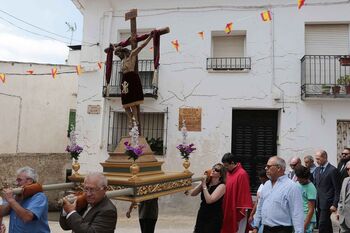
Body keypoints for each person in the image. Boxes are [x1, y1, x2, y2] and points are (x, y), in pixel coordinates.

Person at [253, 156, 304, 233]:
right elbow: (260, 206)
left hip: (282, 230)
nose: (266, 168)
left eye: (269, 166)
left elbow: (297, 213)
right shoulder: (266, 185)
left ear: (279, 168)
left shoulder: (291, 187)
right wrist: (256, 226)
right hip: (266, 229)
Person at [114, 33, 153, 131]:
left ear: (122, 51)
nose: (118, 55)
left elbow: (141, 46)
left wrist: (150, 37)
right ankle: (130, 120)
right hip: (124, 80)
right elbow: (114, 48)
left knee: (133, 103)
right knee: (126, 104)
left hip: (131, 78)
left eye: (118, 53)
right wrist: (113, 47)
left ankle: (136, 120)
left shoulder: (131, 55)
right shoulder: (122, 60)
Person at [1, 166, 50, 233]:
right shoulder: (16, 195)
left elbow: (27, 217)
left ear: (30, 181)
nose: (16, 183)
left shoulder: (39, 197)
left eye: (19, 180)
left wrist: (11, 200)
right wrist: (14, 200)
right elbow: (2, 212)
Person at [188, 163, 226, 233]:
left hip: (214, 216)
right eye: (213, 168)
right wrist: (202, 183)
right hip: (202, 213)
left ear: (220, 174)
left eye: (217, 170)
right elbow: (193, 193)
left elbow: (209, 200)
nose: (213, 170)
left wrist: (204, 185)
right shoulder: (207, 183)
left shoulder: (222, 186)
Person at [221, 153, 252, 233]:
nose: (226, 168)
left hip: (238, 208)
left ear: (232, 163)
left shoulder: (242, 174)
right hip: (228, 205)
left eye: (227, 165)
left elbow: (244, 193)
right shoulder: (228, 173)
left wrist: (241, 208)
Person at [314, 149, 341, 233]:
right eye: (316, 159)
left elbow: (337, 189)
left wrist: (334, 204)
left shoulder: (332, 170)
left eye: (318, 159)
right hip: (319, 203)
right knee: (327, 227)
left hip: (328, 204)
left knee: (322, 226)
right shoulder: (317, 169)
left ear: (325, 157)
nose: (316, 161)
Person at [294, 165, 317, 233]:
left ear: (305, 178)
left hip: (306, 220)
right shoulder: (298, 183)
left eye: (299, 178)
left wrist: (304, 226)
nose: (297, 179)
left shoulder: (311, 188)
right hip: (298, 218)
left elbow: (311, 210)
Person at [337, 160, 350, 233]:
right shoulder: (345, 180)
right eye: (347, 169)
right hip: (343, 218)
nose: (348, 171)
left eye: (349, 169)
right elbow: (341, 198)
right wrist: (339, 211)